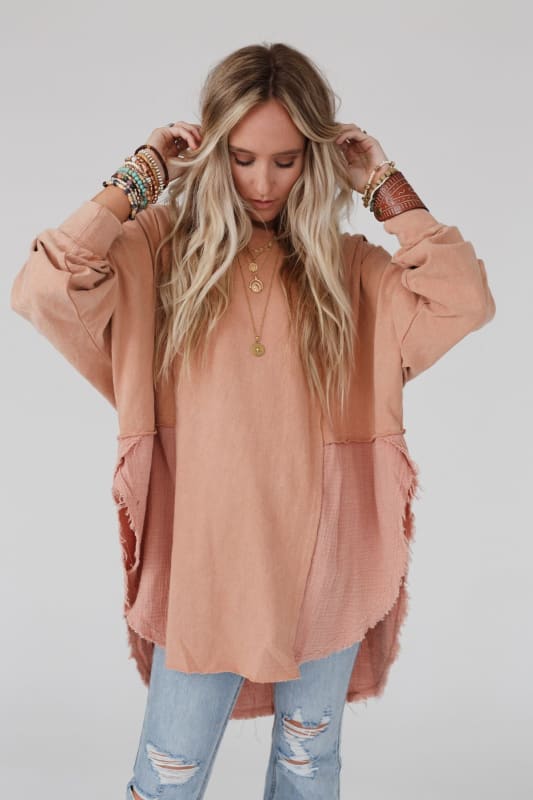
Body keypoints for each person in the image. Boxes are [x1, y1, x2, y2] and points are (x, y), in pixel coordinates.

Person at [10, 42, 496, 800]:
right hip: (205, 567)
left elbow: (464, 301)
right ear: (212, 153)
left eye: (285, 161)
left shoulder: (349, 270)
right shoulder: (159, 254)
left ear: (314, 160)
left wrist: (385, 186)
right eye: (241, 159)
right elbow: (44, 287)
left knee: (309, 770)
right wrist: (141, 174)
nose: (262, 183)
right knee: (167, 775)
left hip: (329, 566)